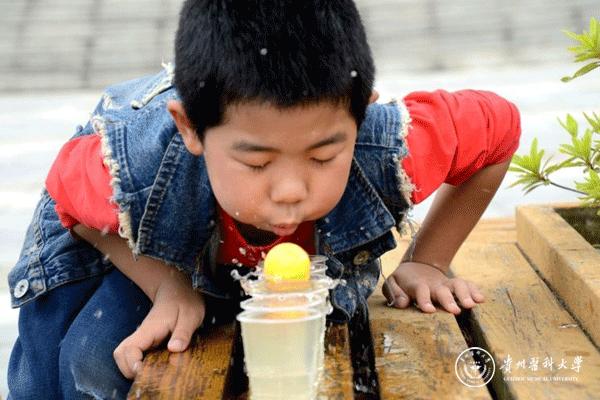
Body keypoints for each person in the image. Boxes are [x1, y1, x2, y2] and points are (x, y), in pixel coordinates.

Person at [6, 0, 521, 398]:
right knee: (86, 360)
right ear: (192, 129)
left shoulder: (388, 148)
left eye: (323, 156)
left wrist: (428, 261)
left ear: (360, 117)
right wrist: (166, 285)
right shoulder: (136, 167)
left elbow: (498, 128)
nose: (291, 190)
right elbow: (66, 191)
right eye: (256, 163)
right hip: (132, 244)